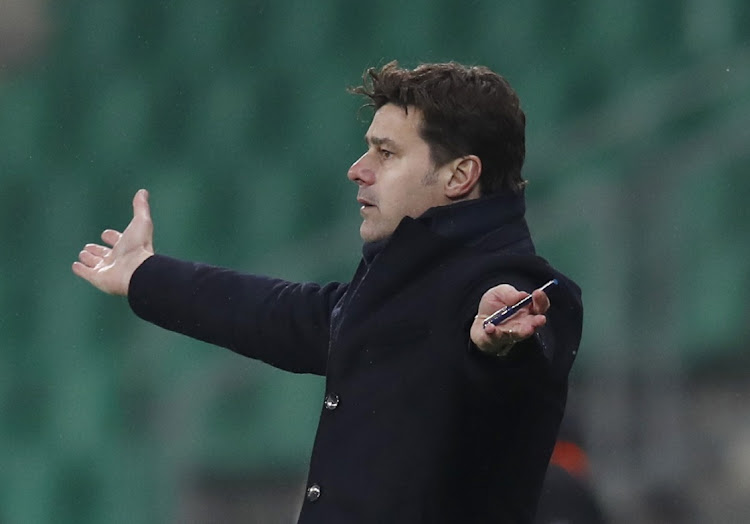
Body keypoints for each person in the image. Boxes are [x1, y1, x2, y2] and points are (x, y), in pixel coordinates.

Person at [72, 61, 583, 523]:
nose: (358, 169)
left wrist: (498, 344)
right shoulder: (396, 294)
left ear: (459, 175)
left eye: (386, 153)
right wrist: (142, 272)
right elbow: (272, 313)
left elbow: (524, 341)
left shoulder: (517, 291)